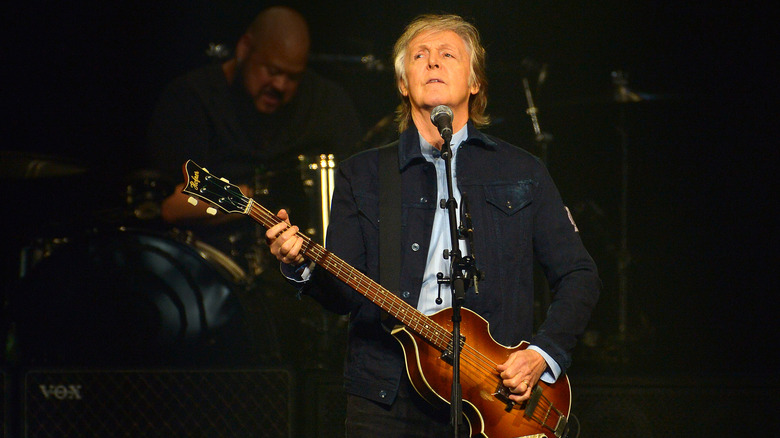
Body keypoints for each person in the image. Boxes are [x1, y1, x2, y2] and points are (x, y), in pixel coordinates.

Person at [266, 14, 600, 437]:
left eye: (447, 55)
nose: (432, 63)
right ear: (404, 83)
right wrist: (302, 265)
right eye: (419, 56)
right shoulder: (364, 174)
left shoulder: (522, 171)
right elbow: (343, 296)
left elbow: (579, 274)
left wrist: (542, 354)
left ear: (475, 82)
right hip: (385, 393)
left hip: (495, 392)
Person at [147, 6, 363, 268]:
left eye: (292, 77)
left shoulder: (328, 102)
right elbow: (171, 207)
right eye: (272, 71)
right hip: (216, 266)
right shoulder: (191, 98)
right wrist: (259, 195)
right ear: (244, 49)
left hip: (314, 267)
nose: (280, 85)